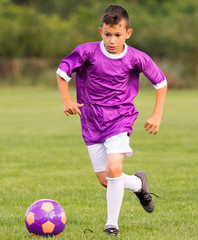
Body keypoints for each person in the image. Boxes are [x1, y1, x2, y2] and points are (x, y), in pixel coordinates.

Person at [56, 4, 167, 236]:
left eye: (118, 35)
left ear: (128, 33)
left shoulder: (136, 57)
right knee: (106, 179)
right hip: (91, 122)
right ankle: (139, 185)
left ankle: (111, 225)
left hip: (120, 119)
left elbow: (161, 82)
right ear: (100, 31)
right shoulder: (87, 52)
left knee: (114, 168)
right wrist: (66, 99)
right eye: (108, 34)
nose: (112, 40)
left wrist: (157, 114)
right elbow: (62, 72)